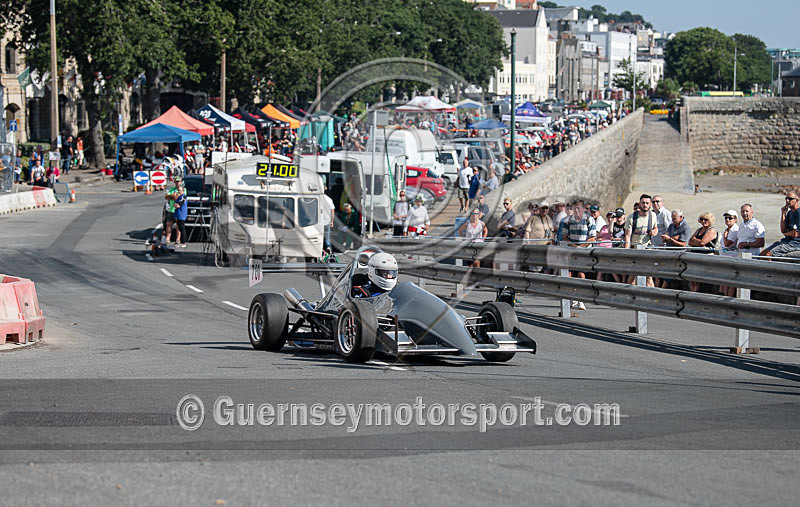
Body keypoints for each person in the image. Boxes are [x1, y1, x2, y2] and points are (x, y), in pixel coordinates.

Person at [762, 192, 800, 258]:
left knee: (768, 255)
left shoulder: (799, 213)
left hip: (796, 243)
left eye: (790, 199)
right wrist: (783, 213)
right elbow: (783, 230)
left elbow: (796, 234)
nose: (787, 201)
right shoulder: (789, 213)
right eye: (786, 198)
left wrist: (786, 234)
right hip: (786, 241)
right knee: (762, 254)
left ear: (796, 200)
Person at [687, 212, 718, 291]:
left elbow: (702, 242)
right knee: (692, 279)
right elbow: (689, 242)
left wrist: (695, 240)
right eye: (702, 219)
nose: (703, 221)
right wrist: (697, 241)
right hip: (695, 256)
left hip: (704, 257)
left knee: (698, 280)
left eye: (706, 219)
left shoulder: (711, 230)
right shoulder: (698, 230)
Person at [163, 178, 180, 245]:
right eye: (176, 182)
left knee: (178, 225)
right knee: (168, 224)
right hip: (171, 209)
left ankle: (178, 239)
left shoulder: (183, 189)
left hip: (178, 210)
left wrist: (173, 196)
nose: (177, 183)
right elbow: (167, 197)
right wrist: (172, 196)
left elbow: (179, 197)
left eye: (178, 182)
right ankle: (168, 238)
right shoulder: (172, 189)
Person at [172, 180, 188, 247]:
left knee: (182, 228)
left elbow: (178, 205)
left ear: (183, 191)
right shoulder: (179, 197)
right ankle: (180, 241)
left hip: (182, 215)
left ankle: (184, 242)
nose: (179, 192)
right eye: (178, 191)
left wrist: (176, 205)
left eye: (180, 191)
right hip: (178, 214)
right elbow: (174, 204)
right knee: (179, 228)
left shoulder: (183, 197)